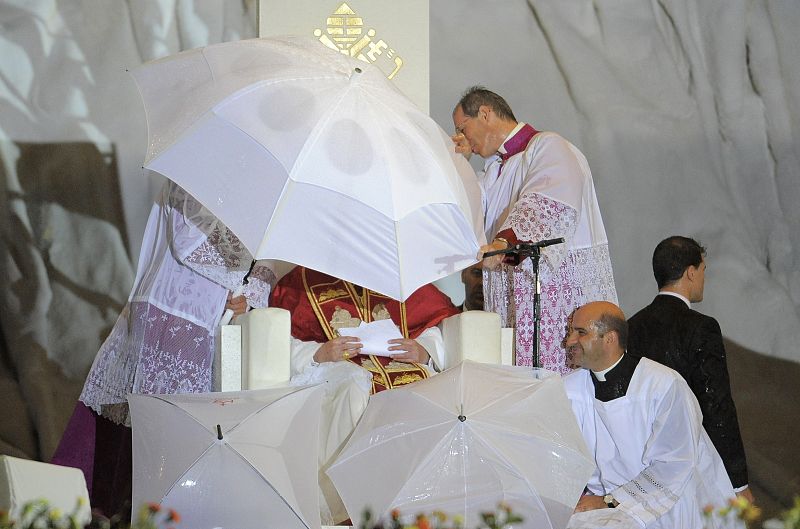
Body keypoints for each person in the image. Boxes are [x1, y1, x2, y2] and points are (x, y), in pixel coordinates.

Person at [51, 181, 275, 516]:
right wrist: (239, 278)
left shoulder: (256, 188)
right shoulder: (198, 169)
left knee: (175, 440)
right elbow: (188, 241)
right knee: (142, 433)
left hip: (203, 322)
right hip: (167, 310)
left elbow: (263, 257)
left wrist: (251, 288)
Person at [269, 265, 459, 523]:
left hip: (402, 367)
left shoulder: (401, 277)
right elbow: (278, 338)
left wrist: (425, 351)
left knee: (427, 394)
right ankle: (348, 508)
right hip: (337, 371)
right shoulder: (300, 283)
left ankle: (419, 510)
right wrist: (317, 353)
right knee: (353, 390)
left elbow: (436, 327)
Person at [451, 86, 617, 373]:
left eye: (462, 128)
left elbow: (547, 202)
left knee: (559, 381)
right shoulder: (493, 171)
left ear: (485, 114)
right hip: (512, 298)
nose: (461, 137)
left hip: (550, 292)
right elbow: (463, 214)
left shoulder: (547, 146)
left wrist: (504, 243)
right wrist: (459, 162)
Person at [563, 301, 741, 529]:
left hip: (669, 504)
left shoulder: (663, 386)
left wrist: (610, 501)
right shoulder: (570, 389)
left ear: (610, 338)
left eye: (580, 332)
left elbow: (674, 465)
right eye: (570, 332)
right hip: (608, 506)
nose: (569, 341)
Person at [627, 236, 751, 499]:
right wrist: (738, 482)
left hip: (643, 468)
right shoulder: (702, 327)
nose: (704, 278)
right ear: (691, 273)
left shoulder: (632, 326)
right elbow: (716, 405)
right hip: (693, 466)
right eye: (703, 270)